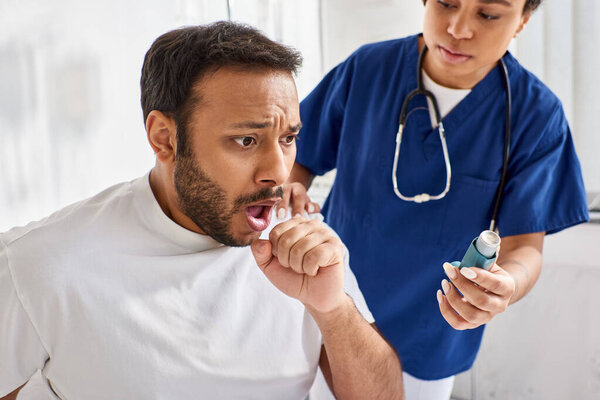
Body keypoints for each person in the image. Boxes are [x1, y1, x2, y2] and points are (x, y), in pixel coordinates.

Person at [0, 22, 405, 400]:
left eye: (287, 138)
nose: (278, 173)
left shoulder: (304, 241)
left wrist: (334, 310)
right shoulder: (39, 265)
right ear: (165, 139)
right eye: (246, 140)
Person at [278, 0, 589, 399]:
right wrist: (291, 187)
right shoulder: (367, 70)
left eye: (488, 14)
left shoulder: (535, 115)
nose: (458, 28)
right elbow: (297, 157)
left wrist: (506, 284)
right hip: (329, 304)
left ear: (523, 20)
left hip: (430, 330)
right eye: (446, 3)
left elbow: (525, 248)